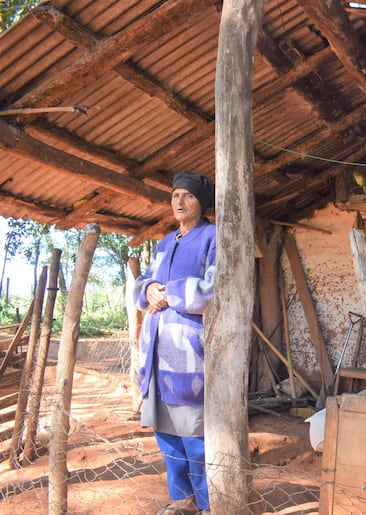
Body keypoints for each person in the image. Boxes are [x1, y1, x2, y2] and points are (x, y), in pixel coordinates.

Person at [134, 171, 216, 515]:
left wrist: (169, 295)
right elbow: (144, 282)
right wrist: (149, 289)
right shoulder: (165, 242)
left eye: (188, 196)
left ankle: (210, 504)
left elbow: (214, 286)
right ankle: (182, 499)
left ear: (201, 202)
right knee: (166, 435)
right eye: (175, 196)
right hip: (155, 353)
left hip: (187, 355)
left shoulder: (213, 237)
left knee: (194, 437)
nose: (179, 202)